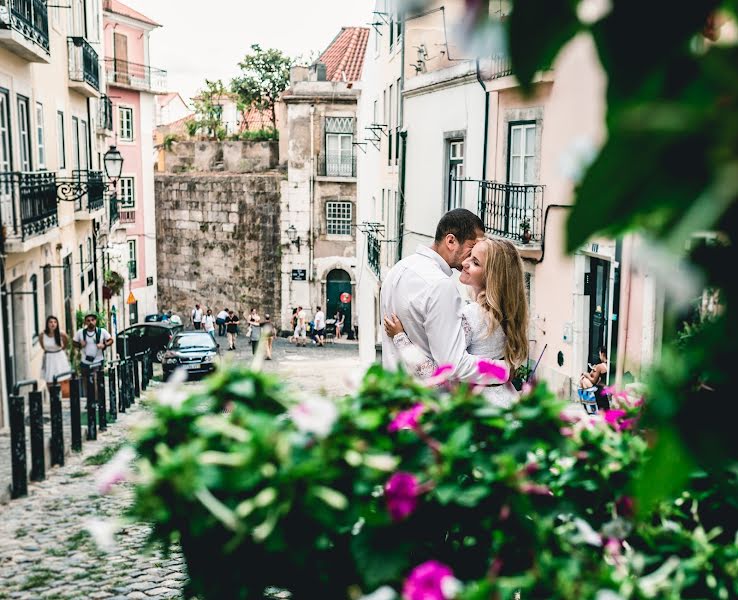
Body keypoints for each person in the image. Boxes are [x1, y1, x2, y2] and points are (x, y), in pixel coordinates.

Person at [385, 237, 528, 406]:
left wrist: (400, 338)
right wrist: (502, 371)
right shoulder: (507, 313)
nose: (465, 263)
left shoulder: (471, 315)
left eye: (475, 262)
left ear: (492, 277)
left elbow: (441, 375)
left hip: (478, 407)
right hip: (507, 399)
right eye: (470, 256)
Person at [380, 208, 508, 386]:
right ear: (450, 241)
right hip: (428, 402)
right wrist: (503, 370)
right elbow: (453, 366)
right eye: (471, 248)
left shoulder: (397, 269)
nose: (468, 259)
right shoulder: (441, 285)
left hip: (393, 392)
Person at [73, 313, 113, 380]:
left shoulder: (102, 331)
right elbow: (74, 342)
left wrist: (104, 345)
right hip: (85, 362)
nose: (90, 322)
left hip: (98, 361)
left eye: (92, 320)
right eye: (88, 320)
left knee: (99, 382)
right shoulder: (80, 332)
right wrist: (80, 344)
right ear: (85, 322)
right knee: (85, 381)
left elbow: (111, 340)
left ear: (95, 321)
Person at [39, 316, 71, 386]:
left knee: (61, 378)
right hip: (49, 357)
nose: (53, 324)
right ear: (47, 324)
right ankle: (52, 396)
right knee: (49, 379)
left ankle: (59, 395)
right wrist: (49, 350)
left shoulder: (61, 334)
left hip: (59, 357)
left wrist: (61, 349)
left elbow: (66, 342)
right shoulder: (42, 334)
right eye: (51, 322)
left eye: (55, 322)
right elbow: (42, 345)